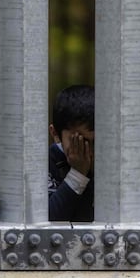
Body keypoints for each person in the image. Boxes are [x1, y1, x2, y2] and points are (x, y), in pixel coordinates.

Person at [48, 85, 94, 222]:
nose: (89, 151)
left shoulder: (110, 161)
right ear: (55, 134)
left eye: (97, 142)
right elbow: (47, 221)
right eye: (80, 141)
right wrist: (78, 174)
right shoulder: (45, 163)